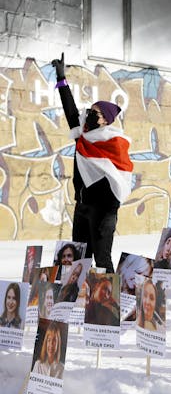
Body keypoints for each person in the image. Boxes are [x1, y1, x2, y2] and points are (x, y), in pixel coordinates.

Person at [52, 53, 133, 273]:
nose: (88, 116)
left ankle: (109, 305)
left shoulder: (113, 143)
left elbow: (120, 179)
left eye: (94, 113)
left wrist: (107, 212)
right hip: (82, 206)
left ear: (105, 120)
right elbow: (70, 111)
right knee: (80, 258)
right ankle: (79, 301)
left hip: (104, 211)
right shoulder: (83, 136)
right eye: (89, 111)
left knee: (102, 260)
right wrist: (61, 78)